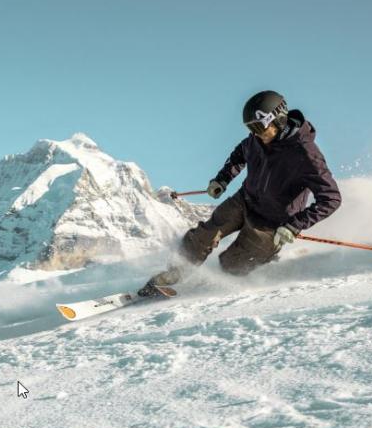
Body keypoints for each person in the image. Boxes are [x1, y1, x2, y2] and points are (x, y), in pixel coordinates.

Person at [140, 90, 342, 294]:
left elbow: (331, 199)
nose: (255, 133)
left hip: (271, 224)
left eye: (258, 127)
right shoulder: (257, 140)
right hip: (244, 201)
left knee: (231, 265)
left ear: (279, 120)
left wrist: (294, 226)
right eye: (251, 128)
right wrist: (222, 179)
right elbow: (240, 154)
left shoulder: (305, 154)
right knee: (202, 236)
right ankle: (172, 275)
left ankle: (214, 284)